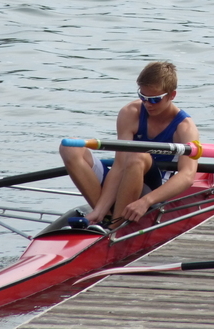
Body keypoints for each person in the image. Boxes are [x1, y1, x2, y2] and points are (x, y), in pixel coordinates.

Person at [59, 61, 200, 229]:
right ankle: (105, 216)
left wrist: (146, 201)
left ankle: (114, 228)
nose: (148, 104)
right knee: (70, 148)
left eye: (155, 99)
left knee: (137, 154)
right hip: (125, 175)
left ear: (172, 95)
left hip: (153, 187)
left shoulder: (185, 128)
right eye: (143, 97)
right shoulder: (130, 113)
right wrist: (100, 208)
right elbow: (119, 165)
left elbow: (187, 176)